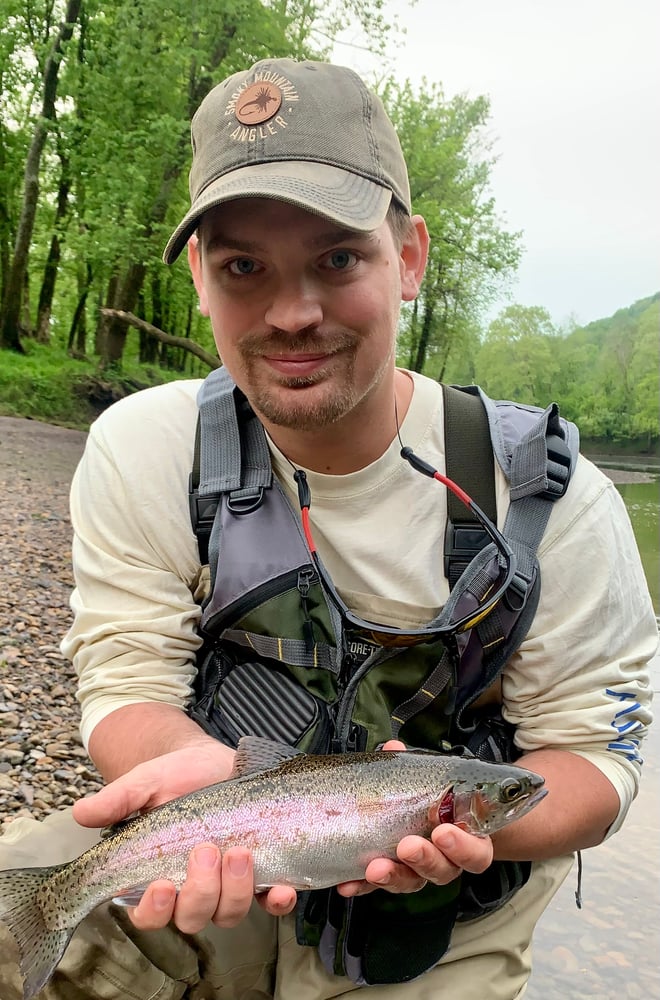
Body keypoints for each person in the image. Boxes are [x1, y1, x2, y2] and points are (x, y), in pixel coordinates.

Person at [0, 57, 656, 1000]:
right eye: (243, 268)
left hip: (449, 913)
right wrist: (203, 780)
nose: (292, 312)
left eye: (338, 258)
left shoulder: (550, 498)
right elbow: (126, 677)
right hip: (216, 837)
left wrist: (469, 832)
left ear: (411, 258)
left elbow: (596, 762)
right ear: (197, 275)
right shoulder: (147, 448)